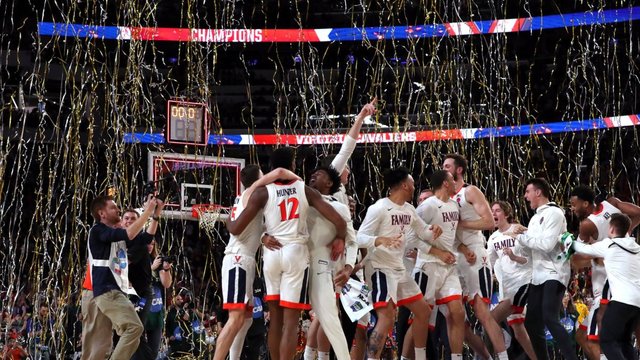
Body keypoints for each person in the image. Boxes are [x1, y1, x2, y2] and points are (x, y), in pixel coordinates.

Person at [226, 147, 347, 360]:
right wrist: (340, 238)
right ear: (292, 166)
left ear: (271, 168)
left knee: (275, 320)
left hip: (272, 255)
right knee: (291, 324)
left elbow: (236, 228)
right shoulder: (304, 189)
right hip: (296, 254)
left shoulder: (263, 192)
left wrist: (230, 218)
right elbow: (338, 219)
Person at [356, 167, 444, 360]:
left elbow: (424, 232)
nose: (414, 187)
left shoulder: (409, 209)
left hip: (399, 270)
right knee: (386, 319)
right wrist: (379, 240)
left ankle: (418, 357)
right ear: (405, 185)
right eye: (412, 183)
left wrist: (434, 229)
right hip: (380, 268)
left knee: (422, 312)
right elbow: (358, 237)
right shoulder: (379, 208)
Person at [213, 165, 299, 360]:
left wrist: (262, 237)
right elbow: (278, 172)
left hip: (245, 259)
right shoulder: (252, 192)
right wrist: (299, 182)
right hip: (238, 259)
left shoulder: (244, 199)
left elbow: (248, 229)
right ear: (258, 177)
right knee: (235, 319)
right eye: (262, 175)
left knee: (246, 320)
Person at [442, 153, 508, 360]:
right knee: (455, 317)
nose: (444, 169)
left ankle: (504, 357)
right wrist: (460, 247)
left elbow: (489, 222)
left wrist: (461, 225)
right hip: (455, 256)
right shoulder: (444, 199)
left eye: (447, 166)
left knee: (481, 311)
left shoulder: (469, 191)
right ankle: (485, 357)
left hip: (475, 254)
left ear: (458, 170)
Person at [507, 178, 576, 360]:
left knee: (549, 317)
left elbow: (546, 245)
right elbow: (530, 255)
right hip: (537, 275)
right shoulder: (534, 219)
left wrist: (523, 238)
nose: (525, 196)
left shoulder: (554, 213)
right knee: (531, 323)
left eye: (528, 191)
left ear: (538, 192)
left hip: (554, 273)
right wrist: (519, 242)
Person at [569, 185, 640, 360]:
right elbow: (638, 213)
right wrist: (627, 232)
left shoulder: (587, 225)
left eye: (573, 204)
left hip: (608, 288)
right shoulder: (612, 203)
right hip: (630, 289)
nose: (571, 208)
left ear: (585, 204)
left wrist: (566, 243)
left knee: (598, 340)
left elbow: (577, 259)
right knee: (582, 335)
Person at [84, 195, 153, 359]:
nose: (118, 210)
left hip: (114, 291)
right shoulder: (99, 231)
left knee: (108, 344)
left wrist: (154, 216)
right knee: (97, 347)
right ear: (102, 213)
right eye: (114, 207)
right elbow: (129, 234)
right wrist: (148, 212)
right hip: (99, 291)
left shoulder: (116, 237)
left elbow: (143, 238)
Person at [301, 166, 358, 360]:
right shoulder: (300, 198)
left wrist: (349, 267)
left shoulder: (340, 207)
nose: (313, 174)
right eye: (313, 172)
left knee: (330, 320)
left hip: (323, 268)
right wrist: (264, 237)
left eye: (319, 174)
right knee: (287, 321)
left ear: (330, 183)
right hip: (296, 266)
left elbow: (352, 240)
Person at [412, 170, 466, 360]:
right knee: (421, 315)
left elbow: (453, 234)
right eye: (452, 180)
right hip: (428, 265)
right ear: (445, 183)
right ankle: (414, 356)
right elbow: (411, 238)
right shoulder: (427, 207)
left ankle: (457, 357)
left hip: (448, 267)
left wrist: (463, 249)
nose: (456, 182)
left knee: (458, 313)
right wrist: (438, 252)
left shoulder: (453, 205)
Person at [486, 201, 537, 360]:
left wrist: (514, 257)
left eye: (498, 210)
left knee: (490, 320)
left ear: (507, 213)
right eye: (492, 211)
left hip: (523, 283)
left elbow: (533, 258)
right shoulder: (493, 238)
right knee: (519, 331)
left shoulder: (519, 230)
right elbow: (489, 264)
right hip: (506, 288)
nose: (494, 214)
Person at [136, 239, 172, 360]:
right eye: (147, 242)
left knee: (153, 352)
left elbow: (167, 284)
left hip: (156, 311)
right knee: (137, 350)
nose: (150, 246)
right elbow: (136, 280)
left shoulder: (157, 261)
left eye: (152, 244)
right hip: (140, 309)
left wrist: (166, 269)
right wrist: (151, 268)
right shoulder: (135, 258)